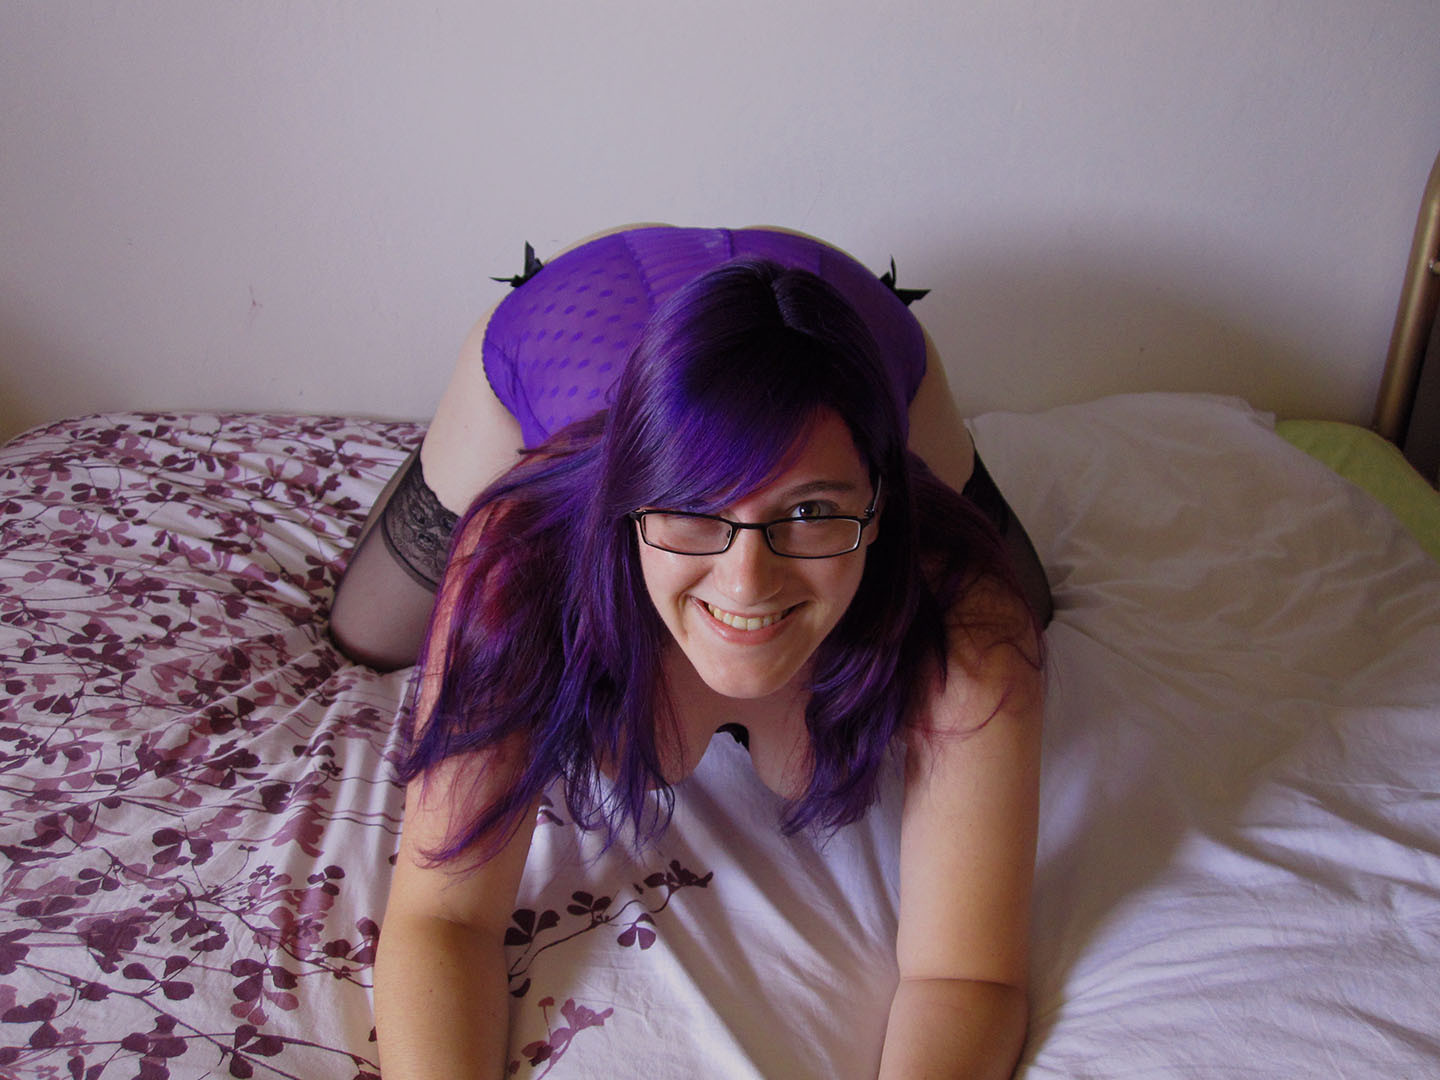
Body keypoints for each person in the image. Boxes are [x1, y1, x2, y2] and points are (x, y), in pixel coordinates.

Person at [347, 226, 1050, 1079]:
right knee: (367, 632)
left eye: (810, 512)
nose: (747, 581)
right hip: (580, 316)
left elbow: (969, 976)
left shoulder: (963, 608)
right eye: (691, 508)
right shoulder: (519, 561)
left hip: (843, 304)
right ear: (626, 503)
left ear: (881, 502)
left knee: (1034, 605)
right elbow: (442, 918)